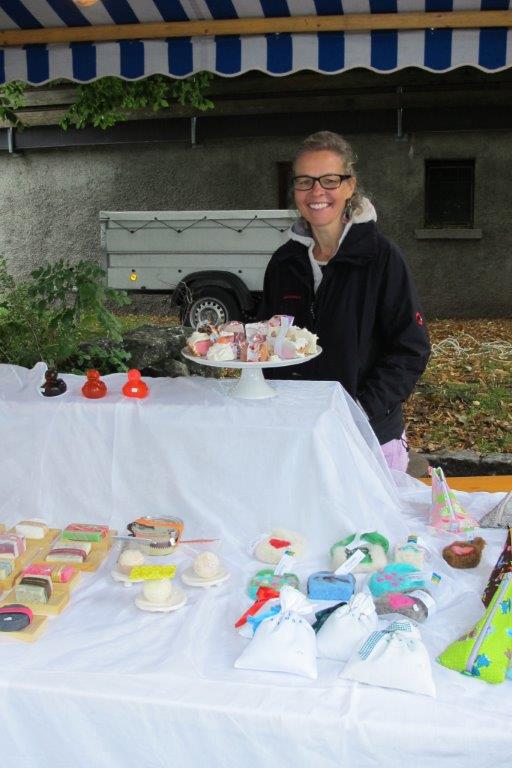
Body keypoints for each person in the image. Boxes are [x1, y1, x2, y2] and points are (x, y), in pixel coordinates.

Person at [258, 131, 431, 472]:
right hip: (299, 437)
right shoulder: (284, 263)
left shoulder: (381, 258)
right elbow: (268, 342)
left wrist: (359, 412)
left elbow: (411, 349)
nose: (316, 192)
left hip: (367, 438)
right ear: (294, 190)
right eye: (305, 181)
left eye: (330, 180)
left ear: (350, 186)